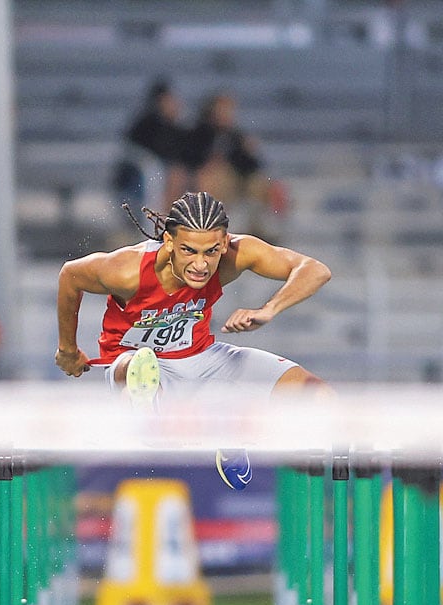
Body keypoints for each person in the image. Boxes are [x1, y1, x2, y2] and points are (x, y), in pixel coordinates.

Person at [55, 191, 332, 490]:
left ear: (224, 243)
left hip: (204, 358)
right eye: (189, 251)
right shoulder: (127, 271)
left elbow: (316, 270)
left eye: (211, 252)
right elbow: (70, 277)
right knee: (135, 367)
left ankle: (234, 434)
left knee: (318, 397)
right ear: (169, 242)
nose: (201, 265)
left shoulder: (237, 254)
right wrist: (67, 350)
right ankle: (153, 415)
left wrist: (269, 309)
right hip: (138, 366)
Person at [184, 92, 282, 240]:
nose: (228, 114)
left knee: (262, 183)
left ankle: (261, 227)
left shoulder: (235, 135)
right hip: (212, 179)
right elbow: (191, 159)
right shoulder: (199, 133)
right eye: (223, 109)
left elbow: (250, 164)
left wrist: (249, 151)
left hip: (237, 178)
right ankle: (209, 227)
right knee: (212, 177)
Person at [115, 78, 189, 213]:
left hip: (158, 174)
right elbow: (150, 152)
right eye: (168, 101)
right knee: (174, 174)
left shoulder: (176, 128)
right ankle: (164, 218)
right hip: (139, 178)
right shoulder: (146, 125)